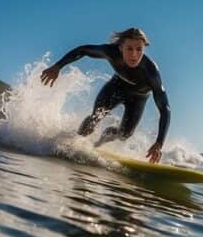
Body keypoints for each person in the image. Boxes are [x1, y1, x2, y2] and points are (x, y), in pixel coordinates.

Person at [40, 27, 170, 163]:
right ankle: (75, 142)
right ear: (120, 47)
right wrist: (57, 66)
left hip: (138, 99)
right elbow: (83, 50)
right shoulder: (111, 52)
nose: (134, 55)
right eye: (129, 49)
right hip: (116, 87)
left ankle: (101, 141)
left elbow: (165, 108)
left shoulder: (151, 72)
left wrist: (159, 143)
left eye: (139, 49)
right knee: (95, 117)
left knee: (124, 134)